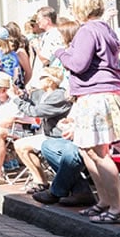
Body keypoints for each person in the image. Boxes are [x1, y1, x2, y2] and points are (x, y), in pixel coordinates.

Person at [55, 0, 120, 224]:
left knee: (98, 152)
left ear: (81, 9)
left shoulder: (87, 31)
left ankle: (118, 208)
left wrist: (61, 52)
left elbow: (78, 64)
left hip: (96, 95)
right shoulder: (105, 29)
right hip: (103, 94)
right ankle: (105, 202)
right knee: (86, 149)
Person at [10, 66, 72, 194]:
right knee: (20, 145)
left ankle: (41, 182)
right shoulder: (43, 94)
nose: (37, 80)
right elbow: (33, 105)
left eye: (41, 77)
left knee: (22, 145)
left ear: (50, 81)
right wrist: (22, 97)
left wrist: (15, 99)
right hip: (48, 134)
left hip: (58, 137)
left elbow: (35, 111)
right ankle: (40, 180)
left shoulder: (59, 96)